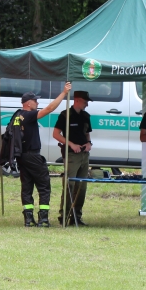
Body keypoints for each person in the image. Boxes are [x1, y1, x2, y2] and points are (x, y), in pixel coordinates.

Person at [16, 82, 72, 227]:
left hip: (22, 156)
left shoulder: (18, 115)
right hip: (33, 156)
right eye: (35, 100)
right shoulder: (28, 115)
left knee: (27, 186)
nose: (37, 102)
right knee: (44, 185)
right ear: (28, 103)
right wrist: (64, 93)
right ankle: (44, 219)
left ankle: (28, 219)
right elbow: (49, 108)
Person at [52, 90, 93, 226]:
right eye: (85, 101)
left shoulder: (86, 116)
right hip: (71, 154)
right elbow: (56, 134)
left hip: (84, 155)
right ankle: (64, 216)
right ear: (77, 100)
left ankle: (76, 216)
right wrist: (71, 144)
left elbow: (87, 134)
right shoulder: (65, 115)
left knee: (82, 186)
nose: (87, 104)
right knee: (69, 185)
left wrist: (89, 143)